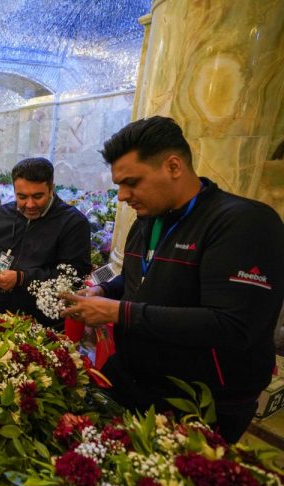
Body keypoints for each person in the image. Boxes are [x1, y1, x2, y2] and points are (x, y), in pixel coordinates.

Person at [60, 116, 284, 442]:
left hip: (201, 400)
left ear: (174, 166)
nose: (122, 196)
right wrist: (104, 289)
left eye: (132, 182)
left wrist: (119, 312)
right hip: (134, 379)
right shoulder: (147, 221)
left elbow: (234, 325)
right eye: (119, 184)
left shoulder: (244, 223)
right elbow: (142, 280)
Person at [0, 157, 91, 328]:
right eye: (22, 197)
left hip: (43, 322)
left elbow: (74, 275)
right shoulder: (1, 214)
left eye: (38, 196)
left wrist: (22, 278)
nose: (29, 204)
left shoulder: (73, 223)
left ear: (51, 188)